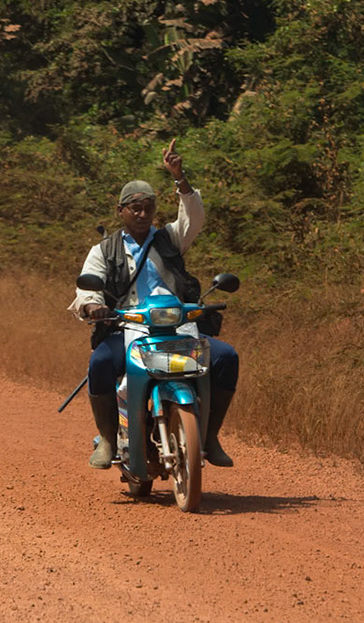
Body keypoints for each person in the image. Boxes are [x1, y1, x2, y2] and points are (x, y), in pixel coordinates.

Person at [69, 140, 239, 478]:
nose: (143, 214)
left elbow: (194, 216)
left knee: (226, 357)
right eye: (135, 208)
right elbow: (85, 291)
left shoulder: (169, 239)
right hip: (128, 327)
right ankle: (106, 439)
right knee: (100, 362)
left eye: (148, 207)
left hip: (177, 326)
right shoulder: (105, 250)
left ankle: (209, 435)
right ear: (121, 211)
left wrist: (180, 178)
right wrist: (94, 307)